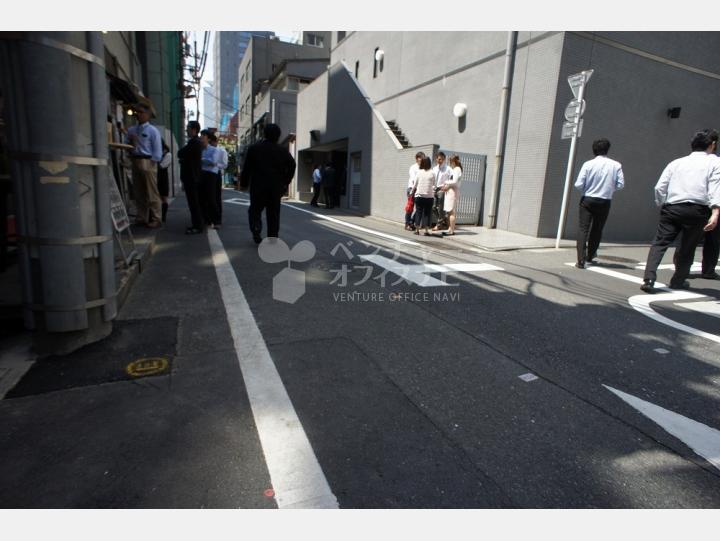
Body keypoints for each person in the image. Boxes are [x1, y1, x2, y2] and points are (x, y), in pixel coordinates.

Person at [640, 131, 720, 293]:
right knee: (687, 247)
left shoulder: (676, 163)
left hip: (672, 208)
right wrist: (715, 212)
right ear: (711, 145)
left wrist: (662, 204)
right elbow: (715, 188)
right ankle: (678, 280)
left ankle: (649, 278)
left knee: (659, 243)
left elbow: (660, 187)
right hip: (698, 210)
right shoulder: (715, 163)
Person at [239, 123, 296, 244]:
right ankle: (273, 238)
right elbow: (292, 165)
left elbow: (247, 168)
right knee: (273, 213)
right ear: (278, 136)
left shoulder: (254, 148)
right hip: (276, 188)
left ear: (264, 134)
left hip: (258, 186)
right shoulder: (282, 150)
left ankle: (256, 229)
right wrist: (286, 181)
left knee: (255, 210)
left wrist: (243, 183)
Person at [573, 138, 625, 268]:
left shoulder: (588, 164)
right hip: (605, 200)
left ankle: (580, 260)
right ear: (607, 149)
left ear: (594, 150)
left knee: (583, 228)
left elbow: (578, 184)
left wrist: (586, 189)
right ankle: (590, 256)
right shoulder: (616, 165)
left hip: (588, 199)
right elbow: (621, 184)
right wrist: (609, 189)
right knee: (597, 229)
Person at [125, 102, 162, 228]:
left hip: (147, 160)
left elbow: (157, 150)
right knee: (138, 191)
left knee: (151, 192)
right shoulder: (131, 130)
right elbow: (126, 146)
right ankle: (142, 216)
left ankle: (157, 218)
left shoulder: (152, 131)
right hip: (135, 159)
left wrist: (152, 162)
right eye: (137, 112)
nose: (138, 115)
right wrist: (131, 145)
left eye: (141, 112)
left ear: (148, 114)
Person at [177, 120, 204, 234]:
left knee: (194, 203)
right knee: (194, 203)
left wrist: (183, 158)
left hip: (192, 177)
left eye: (188, 127)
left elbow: (180, 153)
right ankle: (197, 225)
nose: (186, 129)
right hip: (193, 177)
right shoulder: (195, 142)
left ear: (194, 129)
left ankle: (197, 226)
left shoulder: (194, 142)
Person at [199, 129, 221, 229]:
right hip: (201, 174)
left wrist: (201, 160)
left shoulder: (214, 150)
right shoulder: (199, 149)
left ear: (208, 138)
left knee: (212, 198)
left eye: (203, 136)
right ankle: (206, 221)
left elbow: (213, 162)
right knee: (202, 198)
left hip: (211, 175)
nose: (201, 138)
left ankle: (216, 221)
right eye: (200, 136)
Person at [411, 156, 436, 236]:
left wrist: (411, 192)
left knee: (418, 212)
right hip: (429, 197)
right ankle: (426, 231)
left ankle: (417, 230)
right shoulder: (432, 173)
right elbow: (434, 185)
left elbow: (415, 184)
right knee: (427, 214)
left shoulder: (419, 172)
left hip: (419, 196)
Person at [441, 155, 463, 236]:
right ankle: (450, 229)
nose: (450, 163)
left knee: (451, 211)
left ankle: (451, 230)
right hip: (451, 191)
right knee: (450, 212)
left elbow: (454, 181)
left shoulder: (457, 169)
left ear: (453, 161)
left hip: (453, 191)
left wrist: (446, 182)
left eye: (450, 161)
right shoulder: (456, 169)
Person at [210, 133, 228, 228]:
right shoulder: (206, 150)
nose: (211, 144)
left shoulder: (222, 151)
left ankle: (217, 220)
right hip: (207, 174)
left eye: (212, 142)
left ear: (215, 142)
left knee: (216, 197)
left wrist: (215, 164)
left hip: (216, 174)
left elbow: (225, 164)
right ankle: (209, 219)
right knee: (209, 197)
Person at [431, 152, 452, 231]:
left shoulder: (448, 169)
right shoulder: (435, 168)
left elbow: (452, 179)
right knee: (433, 207)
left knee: (440, 208)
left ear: (444, 159)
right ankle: (444, 219)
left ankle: (439, 225)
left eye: (441, 159)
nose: (439, 160)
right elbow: (432, 179)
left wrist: (447, 186)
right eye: (438, 159)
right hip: (434, 189)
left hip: (442, 189)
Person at [405, 152, 425, 230]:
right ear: (417, 159)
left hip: (420, 190)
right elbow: (413, 179)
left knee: (420, 208)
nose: (422, 159)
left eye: (423, 158)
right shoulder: (413, 167)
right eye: (420, 158)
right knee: (410, 207)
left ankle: (411, 222)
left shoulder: (424, 168)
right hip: (412, 189)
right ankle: (407, 224)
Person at [157, 141, 172, 223]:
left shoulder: (168, 154)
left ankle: (163, 216)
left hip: (163, 177)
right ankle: (156, 216)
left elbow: (162, 166)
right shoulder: (158, 153)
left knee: (164, 197)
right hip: (156, 176)